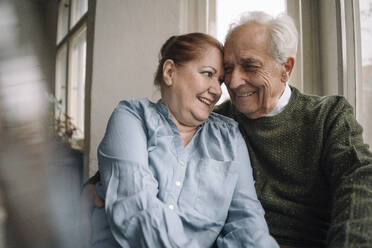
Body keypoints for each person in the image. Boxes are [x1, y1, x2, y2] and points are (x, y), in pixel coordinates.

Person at [83, 11, 372, 248]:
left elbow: (360, 183)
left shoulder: (328, 115)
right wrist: (96, 183)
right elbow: (143, 160)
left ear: (286, 68)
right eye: (228, 70)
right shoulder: (217, 120)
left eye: (249, 66)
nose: (231, 84)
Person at [88, 32, 278, 248]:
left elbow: (246, 221)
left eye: (220, 81)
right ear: (170, 72)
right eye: (207, 74)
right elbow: (135, 203)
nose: (216, 90)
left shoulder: (230, 136)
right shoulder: (132, 116)